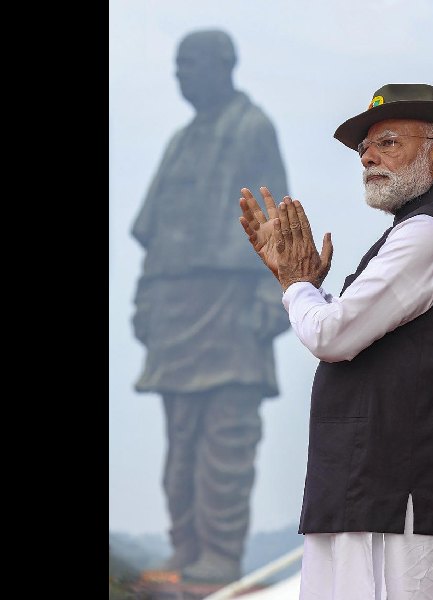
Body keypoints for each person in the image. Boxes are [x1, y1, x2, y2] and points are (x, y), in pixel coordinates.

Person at [238, 83, 433, 599]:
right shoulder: (432, 230)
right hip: (386, 500)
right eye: (365, 148)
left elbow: (330, 333)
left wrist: (296, 284)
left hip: (406, 505)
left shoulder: (431, 233)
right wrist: (306, 288)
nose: (368, 158)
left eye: (387, 143)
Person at [129, 29, 291, 584]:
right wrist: (144, 301)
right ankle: (186, 549)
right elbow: (153, 236)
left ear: (223, 65)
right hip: (176, 307)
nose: (180, 75)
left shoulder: (252, 128)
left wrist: (273, 297)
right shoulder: (181, 139)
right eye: (175, 66)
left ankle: (218, 558)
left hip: (229, 305)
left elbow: (275, 221)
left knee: (226, 437)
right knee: (180, 445)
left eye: (189, 64)